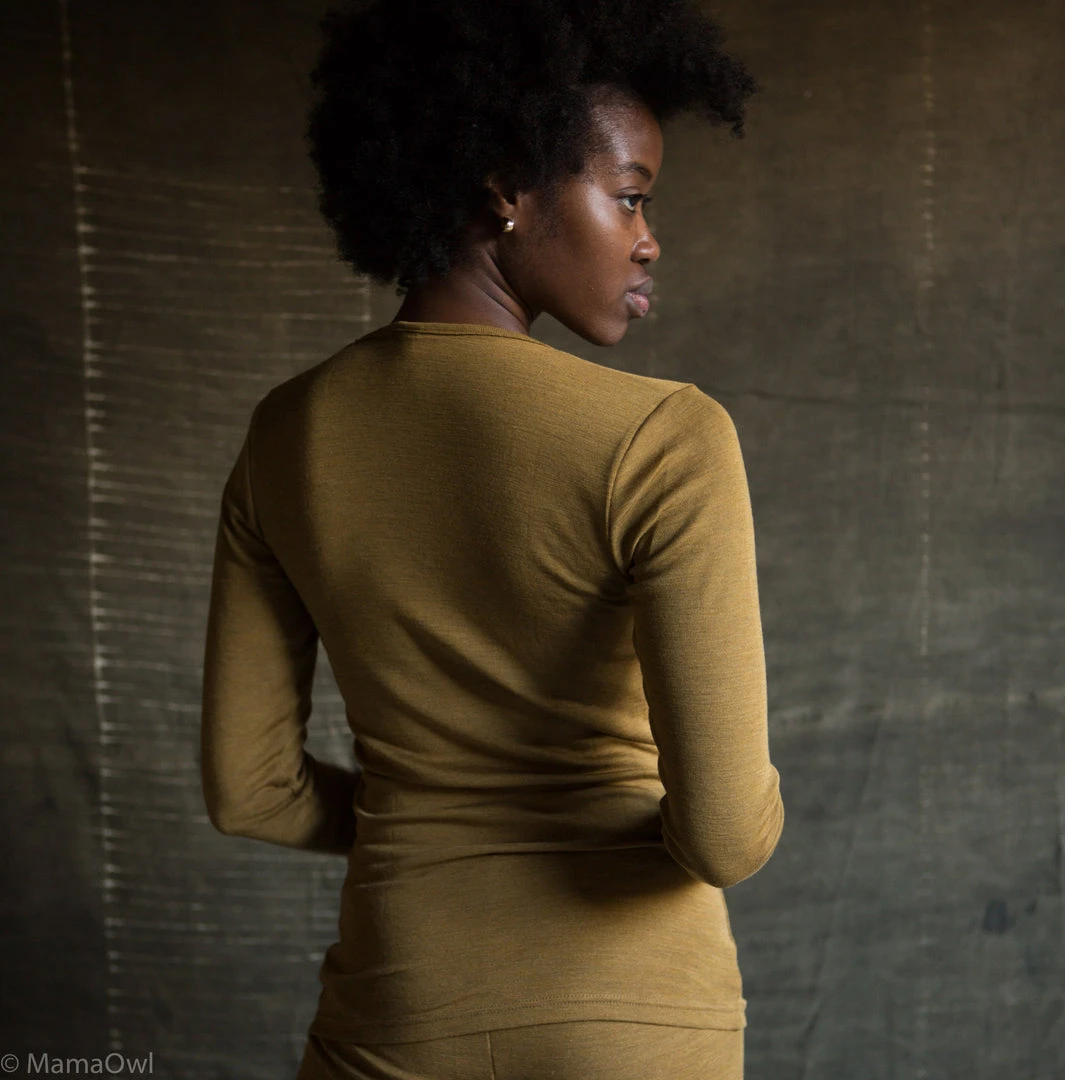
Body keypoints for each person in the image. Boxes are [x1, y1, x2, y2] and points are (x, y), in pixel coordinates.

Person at [199, 0, 785, 1076]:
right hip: (632, 1017)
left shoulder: (284, 435)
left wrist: (430, 819)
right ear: (509, 185)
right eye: (631, 197)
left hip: (395, 1006)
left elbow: (249, 788)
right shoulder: (666, 439)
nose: (650, 239)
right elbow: (725, 837)